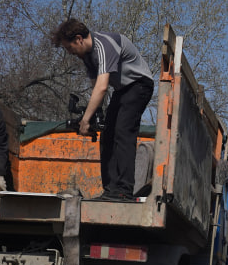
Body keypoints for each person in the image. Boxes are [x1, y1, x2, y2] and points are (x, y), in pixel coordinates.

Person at [50, 19, 154, 202]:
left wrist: (85, 120)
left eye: (70, 48)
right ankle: (111, 190)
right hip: (122, 89)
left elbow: (102, 87)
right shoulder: (88, 57)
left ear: (79, 39)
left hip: (140, 84)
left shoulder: (103, 45)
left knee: (123, 132)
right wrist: (92, 116)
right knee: (107, 135)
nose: (71, 53)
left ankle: (124, 191)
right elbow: (94, 86)